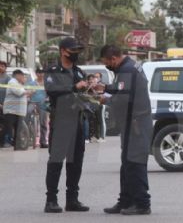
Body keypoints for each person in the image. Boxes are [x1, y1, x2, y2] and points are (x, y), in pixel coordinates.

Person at [96, 45, 153, 215]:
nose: (107, 65)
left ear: (113, 58)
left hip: (137, 122)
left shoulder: (127, 70)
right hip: (133, 122)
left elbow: (122, 99)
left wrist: (104, 101)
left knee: (135, 163)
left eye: (107, 62)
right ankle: (125, 200)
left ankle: (142, 203)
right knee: (127, 163)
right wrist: (106, 88)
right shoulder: (128, 67)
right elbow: (123, 89)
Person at [43, 37, 89, 213]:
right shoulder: (53, 70)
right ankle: (51, 200)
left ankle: (72, 200)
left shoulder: (79, 72)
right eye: (73, 50)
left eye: (78, 50)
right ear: (63, 51)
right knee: (56, 162)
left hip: (77, 121)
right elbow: (53, 91)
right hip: (61, 121)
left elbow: (83, 95)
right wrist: (74, 87)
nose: (76, 53)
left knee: (76, 162)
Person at [3, 70, 32, 150]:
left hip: (18, 111)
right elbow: (19, 92)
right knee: (9, 128)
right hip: (11, 110)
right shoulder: (12, 82)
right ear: (18, 75)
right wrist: (27, 92)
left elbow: (24, 94)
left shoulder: (19, 84)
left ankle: (17, 146)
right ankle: (6, 143)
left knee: (17, 129)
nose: (24, 78)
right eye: (23, 76)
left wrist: (27, 92)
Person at [27, 68, 49, 148]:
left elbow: (49, 94)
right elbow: (27, 93)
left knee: (43, 122)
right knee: (28, 112)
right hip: (33, 102)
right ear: (36, 74)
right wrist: (30, 93)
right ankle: (28, 135)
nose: (41, 74)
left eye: (42, 73)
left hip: (43, 104)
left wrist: (47, 98)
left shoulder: (46, 83)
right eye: (39, 73)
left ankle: (43, 141)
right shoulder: (31, 83)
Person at [0, 61, 11, 147]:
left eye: (2, 66)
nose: (1, 67)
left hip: (5, 104)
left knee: (6, 122)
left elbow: (10, 92)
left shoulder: (8, 78)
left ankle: (6, 141)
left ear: (5, 68)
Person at [94, 72, 106, 142]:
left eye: (97, 77)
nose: (96, 78)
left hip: (101, 104)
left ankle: (102, 136)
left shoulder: (103, 85)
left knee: (102, 120)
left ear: (100, 78)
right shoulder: (93, 85)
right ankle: (97, 136)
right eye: (95, 76)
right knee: (96, 120)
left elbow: (106, 94)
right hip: (95, 104)